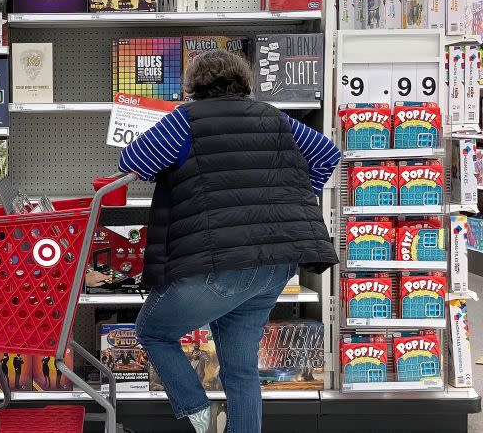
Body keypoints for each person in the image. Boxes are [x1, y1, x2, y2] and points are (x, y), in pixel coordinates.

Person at [118, 50, 340, 433]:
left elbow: (133, 159)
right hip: (273, 266)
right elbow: (326, 154)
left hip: (216, 266)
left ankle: (198, 413)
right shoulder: (274, 118)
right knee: (240, 370)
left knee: (153, 330)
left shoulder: (184, 121)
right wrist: (291, 197)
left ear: (193, 88)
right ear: (245, 83)